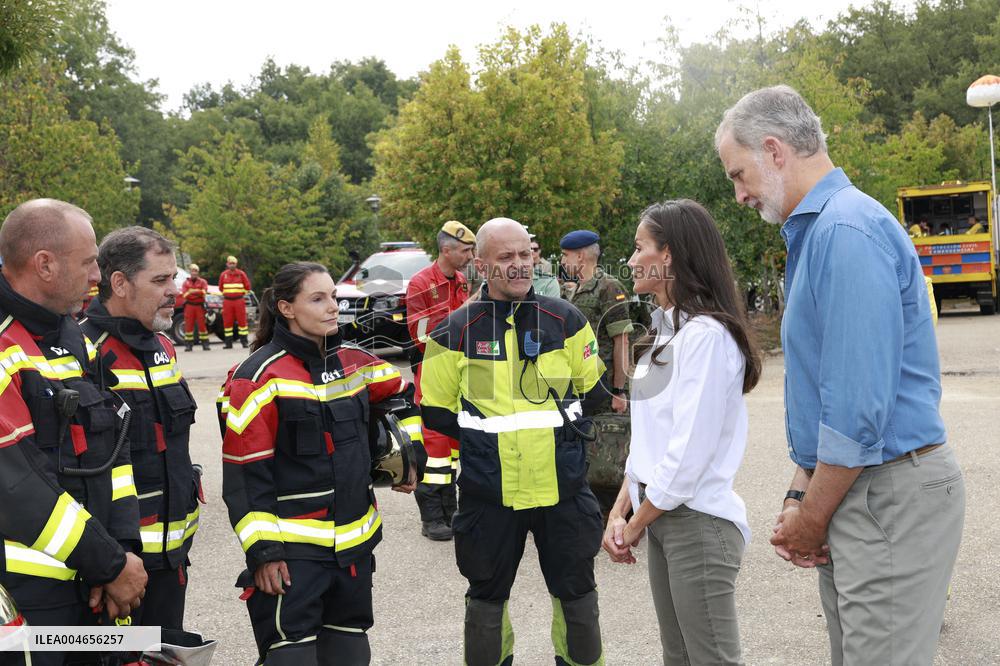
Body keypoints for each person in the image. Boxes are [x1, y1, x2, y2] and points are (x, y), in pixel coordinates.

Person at [716, 85, 964, 665]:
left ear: (774, 150)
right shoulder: (824, 231)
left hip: (886, 492)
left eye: (738, 174)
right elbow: (827, 396)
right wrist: (799, 494)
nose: (739, 194)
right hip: (863, 488)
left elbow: (856, 415)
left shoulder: (844, 232)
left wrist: (811, 518)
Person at [420, 218, 607, 666]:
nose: (520, 264)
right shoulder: (453, 331)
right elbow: (436, 410)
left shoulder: (567, 320)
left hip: (563, 491)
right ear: (482, 266)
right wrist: (487, 449)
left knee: (578, 596)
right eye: (506, 257)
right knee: (486, 599)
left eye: (525, 254)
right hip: (489, 496)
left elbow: (593, 393)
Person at [219, 261, 424, 666]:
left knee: (350, 655)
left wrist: (410, 456)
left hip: (355, 552)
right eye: (317, 299)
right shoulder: (257, 378)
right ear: (287, 308)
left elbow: (403, 397)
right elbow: (245, 476)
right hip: (293, 558)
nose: (333, 306)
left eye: (333, 296)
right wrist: (264, 552)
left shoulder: (356, 361)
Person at [602, 200, 761, 665]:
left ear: (668, 254)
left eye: (640, 248)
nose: (631, 259)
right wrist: (619, 511)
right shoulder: (664, 330)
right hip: (663, 515)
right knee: (679, 657)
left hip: (695, 521)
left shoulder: (705, 336)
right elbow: (649, 442)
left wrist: (634, 525)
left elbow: (688, 454)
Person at [0, 199, 147, 665]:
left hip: (95, 584)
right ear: (44, 264)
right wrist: (109, 563)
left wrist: (123, 549)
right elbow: (16, 485)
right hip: (27, 598)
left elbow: (114, 449)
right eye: (88, 263)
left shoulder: (73, 335)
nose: (97, 277)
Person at [80, 227, 202, 633]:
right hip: (114, 569)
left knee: (164, 655)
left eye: (174, 278)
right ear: (119, 283)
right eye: (160, 280)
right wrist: (107, 562)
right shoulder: (81, 352)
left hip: (171, 560)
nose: (174, 291)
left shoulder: (162, 347)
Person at [405, 220, 475, 540]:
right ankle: (432, 516)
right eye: (465, 250)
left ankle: (451, 511)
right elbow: (420, 336)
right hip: (432, 372)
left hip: (460, 375)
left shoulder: (461, 281)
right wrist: (462, 316)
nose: (470, 256)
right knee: (435, 450)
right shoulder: (421, 283)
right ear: (446, 250)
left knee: (454, 448)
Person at [559, 230, 632, 415]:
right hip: (581, 386)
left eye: (565, 255)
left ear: (580, 256)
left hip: (604, 389)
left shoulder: (608, 287)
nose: (562, 261)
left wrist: (618, 390)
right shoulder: (574, 290)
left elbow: (622, 341)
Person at [219, 254, 251, 348]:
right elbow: (221, 288)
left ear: (236, 264)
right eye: (230, 263)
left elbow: (248, 287)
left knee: (242, 322)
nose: (232, 265)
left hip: (239, 300)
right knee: (227, 322)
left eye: (233, 263)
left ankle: (244, 342)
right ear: (227, 264)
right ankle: (228, 343)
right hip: (227, 301)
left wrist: (240, 293)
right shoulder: (223, 275)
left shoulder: (241, 274)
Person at [181, 262, 212, 351]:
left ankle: (205, 344)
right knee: (188, 326)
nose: (194, 273)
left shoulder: (203, 282)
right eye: (192, 271)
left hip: (199, 306)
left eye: (195, 271)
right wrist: (198, 292)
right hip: (189, 306)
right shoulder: (185, 283)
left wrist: (192, 291)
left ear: (198, 272)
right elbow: (185, 295)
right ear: (190, 272)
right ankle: (188, 345)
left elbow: (204, 292)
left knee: (202, 326)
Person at [529, 233, 560, 298]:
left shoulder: (547, 265)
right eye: (530, 249)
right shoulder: (525, 265)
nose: (532, 251)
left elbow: (552, 281)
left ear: (539, 251)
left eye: (535, 249)